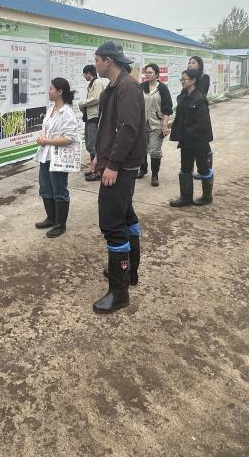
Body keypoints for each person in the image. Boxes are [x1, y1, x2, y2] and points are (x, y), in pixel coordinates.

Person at [90, 41, 146, 314]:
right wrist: (99, 156)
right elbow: (107, 128)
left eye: (97, 60)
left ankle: (119, 293)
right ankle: (128, 272)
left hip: (121, 166)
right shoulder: (112, 88)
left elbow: (128, 129)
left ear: (108, 61)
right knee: (125, 215)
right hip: (114, 162)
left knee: (112, 223)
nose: (95, 65)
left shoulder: (128, 87)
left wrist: (112, 164)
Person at [34, 78, 81, 238]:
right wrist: (42, 138)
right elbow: (46, 129)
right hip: (46, 155)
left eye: (51, 88)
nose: (49, 91)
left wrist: (46, 141)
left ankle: (60, 225)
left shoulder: (67, 113)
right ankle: (51, 218)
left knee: (59, 190)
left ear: (60, 92)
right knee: (45, 188)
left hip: (59, 158)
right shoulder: (51, 109)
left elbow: (69, 138)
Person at [169, 69, 215, 208]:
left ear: (193, 80)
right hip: (186, 140)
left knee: (203, 169)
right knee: (185, 168)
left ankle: (207, 196)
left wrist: (188, 131)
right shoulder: (183, 96)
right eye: (181, 79)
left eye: (184, 79)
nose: (182, 82)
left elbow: (203, 123)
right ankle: (186, 198)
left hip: (200, 140)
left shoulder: (200, 98)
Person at [137, 64, 173, 187]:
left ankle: (155, 175)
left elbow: (167, 108)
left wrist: (165, 125)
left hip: (157, 124)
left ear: (157, 74)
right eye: (146, 72)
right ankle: (143, 169)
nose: (147, 74)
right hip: (142, 124)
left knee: (154, 151)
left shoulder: (162, 88)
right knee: (141, 149)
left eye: (150, 72)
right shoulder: (141, 87)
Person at [79, 65, 108, 182]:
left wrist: (82, 103)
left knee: (93, 146)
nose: (83, 76)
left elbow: (97, 98)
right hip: (90, 118)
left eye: (84, 74)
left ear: (88, 73)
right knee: (90, 145)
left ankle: (97, 172)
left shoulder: (97, 82)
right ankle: (93, 169)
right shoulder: (92, 83)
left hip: (95, 118)